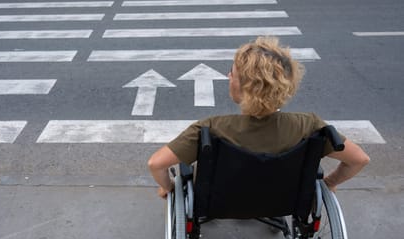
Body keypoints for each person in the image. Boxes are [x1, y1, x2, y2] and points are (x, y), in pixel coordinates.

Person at [148, 36, 370, 198]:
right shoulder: (309, 126)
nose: (228, 76)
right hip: (284, 199)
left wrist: (167, 188)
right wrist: (329, 183)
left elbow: (156, 164)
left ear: (246, 87)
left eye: (232, 73)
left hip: (219, 199)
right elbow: (359, 159)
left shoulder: (210, 129)